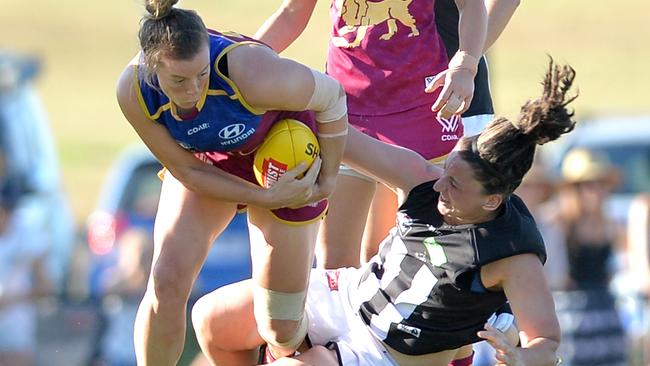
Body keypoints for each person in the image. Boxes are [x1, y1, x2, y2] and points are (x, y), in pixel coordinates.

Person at [191, 58, 577, 366]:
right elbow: (343, 139)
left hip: (386, 354)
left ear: (492, 201)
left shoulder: (513, 254)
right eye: (448, 172)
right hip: (351, 296)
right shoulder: (426, 179)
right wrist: (268, 103)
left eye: (456, 184)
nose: (441, 184)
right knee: (211, 320)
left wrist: (527, 357)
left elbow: (547, 341)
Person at [115, 0, 349, 364]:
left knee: (280, 327)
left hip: (281, 159)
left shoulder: (252, 72)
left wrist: (328, 178)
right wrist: (259, 196)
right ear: (151, 66)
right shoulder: (133, 92)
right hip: (208, 162)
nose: (193, 89)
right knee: (166, 281)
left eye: (201, 76)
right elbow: (189, 173)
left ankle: (321, 347)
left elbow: (332, 96)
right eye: (178, 80)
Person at [255, 0, 519, 273]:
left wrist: (466, 63)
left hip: (427, 107)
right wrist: (240, 60)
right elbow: (291, 13)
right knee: (336, 264)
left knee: (429, 257)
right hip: (349, 107)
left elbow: (478, 5)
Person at [550, 148, 627, 366]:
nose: (596, 191)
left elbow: (616, 269)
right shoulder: (558, 223)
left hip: (606, 309)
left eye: (601, 184)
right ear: (574, 189)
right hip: (570, 313)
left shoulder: (611, 225)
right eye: (588, 185)